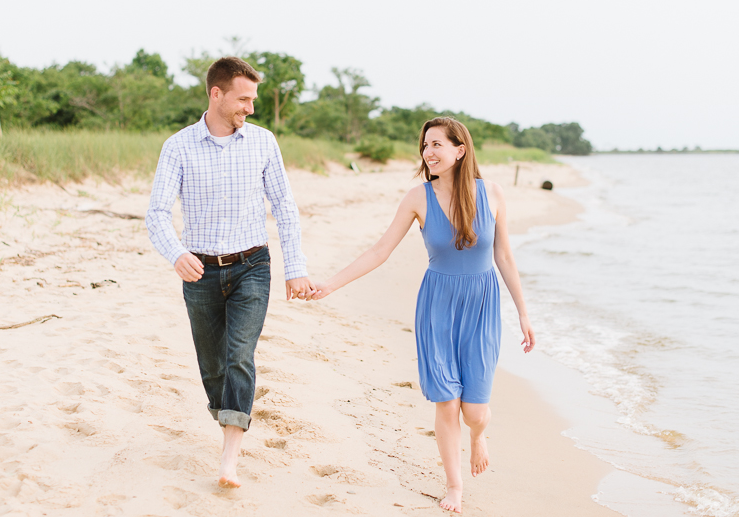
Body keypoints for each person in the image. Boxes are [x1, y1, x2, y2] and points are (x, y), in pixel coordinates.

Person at [312, 117, 535, 513]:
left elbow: (504, 257)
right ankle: (454, 486)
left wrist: (523, 313)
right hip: (437, 308)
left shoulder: (493, 194)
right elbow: (379, 251)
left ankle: (480, 436)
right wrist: (331, 284)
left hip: (482, 306)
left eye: (437, 144)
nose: (429, 152)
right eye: (425, 145)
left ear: (460, 150)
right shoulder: (418, 198)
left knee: (475, 412)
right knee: (447, 402)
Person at [145, 56, 316, 489]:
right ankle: (228, 423)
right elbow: (157, 213)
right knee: (213, 366)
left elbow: (285, 207)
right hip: (199, 270)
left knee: (240, 354)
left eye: (253, 99)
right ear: (216, 94)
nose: (251, 108)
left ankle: (230, 456)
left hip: (252, 266)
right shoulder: (178, 146)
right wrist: (176, 253)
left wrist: (296, 268)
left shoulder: (263, 142)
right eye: (244, 99)